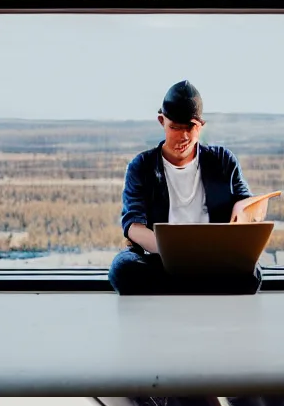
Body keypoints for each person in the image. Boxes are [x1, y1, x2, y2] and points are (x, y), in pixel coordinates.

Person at [109, 80, 269, 295]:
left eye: (190, 127)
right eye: (175, 127)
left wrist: (242, 209)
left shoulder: (223, 160)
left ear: (201, 125)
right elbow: (133, 225)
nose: (183, 136)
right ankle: (201, 286)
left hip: (214, 257)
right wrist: (172, 254)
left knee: (252, 274)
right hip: (161, 258)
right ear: (161, 121)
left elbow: (244, 200)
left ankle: (177, 287)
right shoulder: (142, 167)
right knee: (123, 269)